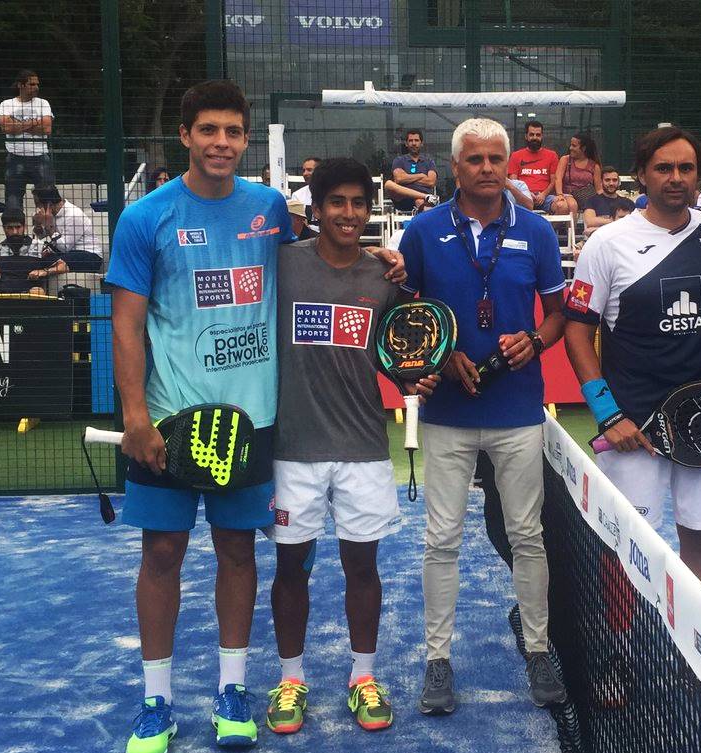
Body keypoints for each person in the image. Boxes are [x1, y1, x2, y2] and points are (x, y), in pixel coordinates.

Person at [106, 79, 297, 753]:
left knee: (238, 549)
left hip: (253, 419)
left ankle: (232, 689)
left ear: (246, 139)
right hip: (166, 421)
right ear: (184, 136)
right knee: (161, 552)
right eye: (208, 130)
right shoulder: (145, 218)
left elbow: (309, 276)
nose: (222, 142)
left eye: (233, 131)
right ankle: (155, 699)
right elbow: (125, 326)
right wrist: (135, 415)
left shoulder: (272, 209)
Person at [398, 117, 567, 714]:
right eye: (476, 160)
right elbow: (404, 314)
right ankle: (437, 661)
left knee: (527, 535)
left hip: (519, 409)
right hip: (446, 411)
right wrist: (440, 359)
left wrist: (536, 342)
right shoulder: (420, 231)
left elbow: (556, 316)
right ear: (455, 167)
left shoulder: (540, 233)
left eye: (497, 158)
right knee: (441, 538)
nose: (489, 168)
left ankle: (540, 649)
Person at [265, 158, 436, 737]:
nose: (347, 213)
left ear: (370, 210)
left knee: (363, 567)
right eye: (335, 202)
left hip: (364, 447)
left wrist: (415, 377)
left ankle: (364, 677)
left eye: (357, 203)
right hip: (292, 449)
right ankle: (291, 681)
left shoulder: (383, 278)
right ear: (314, 209)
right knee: (292, 568)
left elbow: (398, 356)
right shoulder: (282, 265)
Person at [563, 127, 701, 589]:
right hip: (632, 427)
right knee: (627, 546)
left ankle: (689, 657)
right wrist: (607, 414)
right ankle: (625, 653)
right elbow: (577, 333)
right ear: (641, 175)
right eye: (663, 168)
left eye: (686, 168)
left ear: (698, 178)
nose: (675, 177)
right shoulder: (608, 243)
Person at [0, 70, 53, 210]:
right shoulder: (6, 104)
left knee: (47, 199)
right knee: (13, 199)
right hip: (15, 155)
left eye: (37, 84)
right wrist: (34, 122)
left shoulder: (43, 103)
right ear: (20, 85)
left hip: (39, 155)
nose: (36, 87)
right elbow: (5, 128)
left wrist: (16, 124)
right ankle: (16, 229)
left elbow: (47, 128)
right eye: (31, 84)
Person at [0, 208, 64, 295]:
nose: (15, 232)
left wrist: (44, 271)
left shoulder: (39, 247)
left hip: (29, 295)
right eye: (10, 228)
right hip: (1, 296)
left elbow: (63, 266)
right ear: (4, 229)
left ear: (24, 227)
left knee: (37, 291)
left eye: (18, 227)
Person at [32, 185, 103, 272]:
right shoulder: (51, 215)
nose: (37, 208)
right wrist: (38, 224)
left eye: (38, 204)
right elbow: (40, 235)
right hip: (67, 254)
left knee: (55, 260)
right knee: (38, 258)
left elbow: (64, 247)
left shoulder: (74, 214)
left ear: (49, 204)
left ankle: (48, 271)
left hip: (89, 256)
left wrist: (49, 226)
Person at [508, 121, 559, 211]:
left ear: (542, 136)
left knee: (562, 206)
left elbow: (554, 181)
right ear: (526, 136)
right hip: (523, 196)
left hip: (545, 197)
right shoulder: (516, 156)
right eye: (531, 135)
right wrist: (527, 194)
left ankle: (548, 226)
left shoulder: (552, 155)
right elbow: (513, 181)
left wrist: (543, 194)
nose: (535, 138)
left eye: (538, 135)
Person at [384, 129, 438, 212]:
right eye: (410, 141)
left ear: (421, 143)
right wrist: (421, 175)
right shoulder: (399, 160)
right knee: (388, 184)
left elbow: (431, 182)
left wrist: (407, 179)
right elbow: (399, 178)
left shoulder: (429, 162)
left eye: (416, 140)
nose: (413, 143)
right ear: (406, 143)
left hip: (423, 201)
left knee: (419, 201)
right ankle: (425, 196)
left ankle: (424, 198)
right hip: (403, 199)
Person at [550, 132, 602, 216]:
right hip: (567, 195)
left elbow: (598, 189)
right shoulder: (565, 160)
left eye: (574, 146)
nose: (570, 148)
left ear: (583, 148)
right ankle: (570, 229)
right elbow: (558, 178)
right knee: (572, 205)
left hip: (585, 198)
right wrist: (559, 194)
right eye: (570, 145)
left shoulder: (594, 166)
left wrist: (606, 199)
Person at [582, 165, 635, 237]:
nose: (611, 183)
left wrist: (600, 225)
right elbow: (590, 221)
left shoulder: (628, 203)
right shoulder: (592, 201)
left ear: (619, 182)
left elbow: (634, 223)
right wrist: (617, 221)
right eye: (607, 180)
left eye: (614, 180)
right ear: (601, 182)